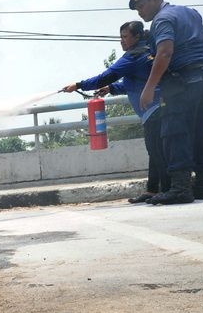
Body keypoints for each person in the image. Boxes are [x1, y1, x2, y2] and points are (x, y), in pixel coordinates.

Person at [62, 21, 168, 203]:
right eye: (120, 37)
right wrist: (111, 88)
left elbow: (105, 76)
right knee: (155, 151)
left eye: (125, 37)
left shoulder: (133, 56)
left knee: (158, 152)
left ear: (137, 36)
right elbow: (134, 84)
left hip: (155, 110)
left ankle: (166, 190)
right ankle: (152, 190)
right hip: (158, 109)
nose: (122, 41)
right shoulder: (147, 52)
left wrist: (79, 85)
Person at [131, 0, 203, 204]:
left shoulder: (162, 19)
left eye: (141, 6)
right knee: (201, 129)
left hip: (183, 80)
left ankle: (180, 189)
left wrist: (149, 88)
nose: (140, 12)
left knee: (174, 131)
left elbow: (165, 52)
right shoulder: (191, 13)